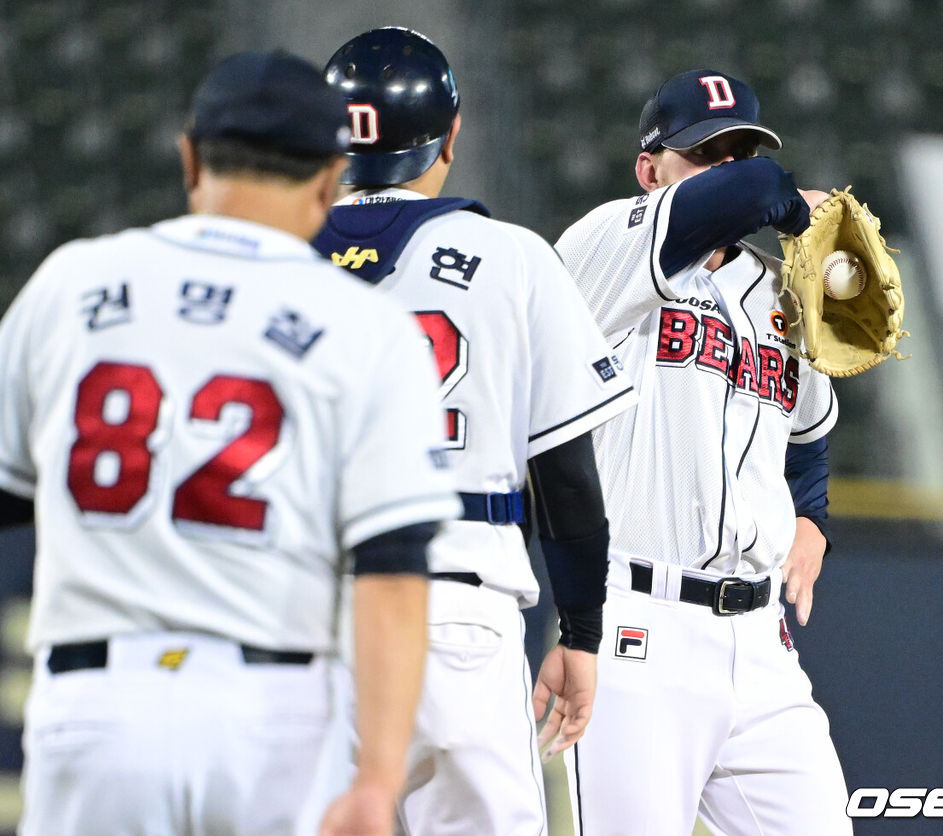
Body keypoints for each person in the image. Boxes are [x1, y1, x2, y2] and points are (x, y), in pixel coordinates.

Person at [0, 50, 462, 836]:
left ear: (189, 156)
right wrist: (378, 778)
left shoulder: (72, 283)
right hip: (268, 715)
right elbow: (391, 568)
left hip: (94, 706)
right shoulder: (364, 325)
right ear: (329, 176)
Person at [304, 26, 639, 836]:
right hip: (457, 617)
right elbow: (566, 481)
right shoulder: (512, 257)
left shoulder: (274, 256)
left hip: (305, 617)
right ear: (452, 134)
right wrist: (583, 631)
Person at [553, 69, 853, 834]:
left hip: (759, 643)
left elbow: (809, 431)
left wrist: (812, 516)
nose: (728, 167)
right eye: (705, 153)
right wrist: (788, 199)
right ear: (649, 171)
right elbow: (748, 195)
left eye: (741, 149)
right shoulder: (606, 247)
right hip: (639, 629)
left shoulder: (778, 296)